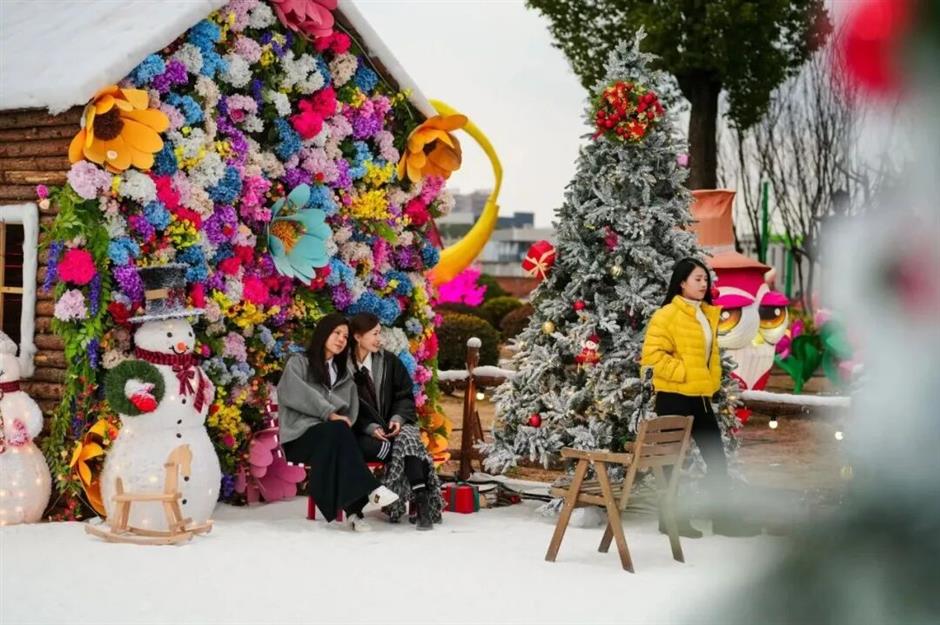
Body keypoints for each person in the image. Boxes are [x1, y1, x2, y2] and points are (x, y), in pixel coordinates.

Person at [641, 257, 761, 537]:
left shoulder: (706, 314)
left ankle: (723, 520)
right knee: (671, 463)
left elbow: (709, 356)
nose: (703, 284)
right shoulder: (667, 315)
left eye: (705, 279)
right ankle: (669, 519)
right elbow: (652, 358)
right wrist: (684, 372)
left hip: (701, 399)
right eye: (697, 279)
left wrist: (709, 382)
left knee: (716, 460)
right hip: (674, 397)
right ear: (681, 283)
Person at [277, 312, 399, 532]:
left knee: (339, 432)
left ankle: (354, 513)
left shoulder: (343, 375)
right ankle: (371, 489)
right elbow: (293, 392)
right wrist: (329, 412)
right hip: (299, 438)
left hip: (331, 439)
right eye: (337, 333)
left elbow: (351, 410)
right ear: (324, 333)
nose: (342, 339)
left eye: (345, 336)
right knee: (337, 430)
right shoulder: (299, 363)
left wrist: (356, 424)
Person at [347, 313, 443, 530]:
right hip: (362, 432)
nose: (378, 339)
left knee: (408, 437)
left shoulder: (389, 361)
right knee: (400, 445)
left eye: (379, 333)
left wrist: (398, 419)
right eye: (374, 334)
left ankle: (421, 499)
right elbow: (345, 406)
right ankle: (420, 498)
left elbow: (404, 395)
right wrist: (370, 428)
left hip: (394, 426)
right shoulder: (344, 368)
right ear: (357, 336)